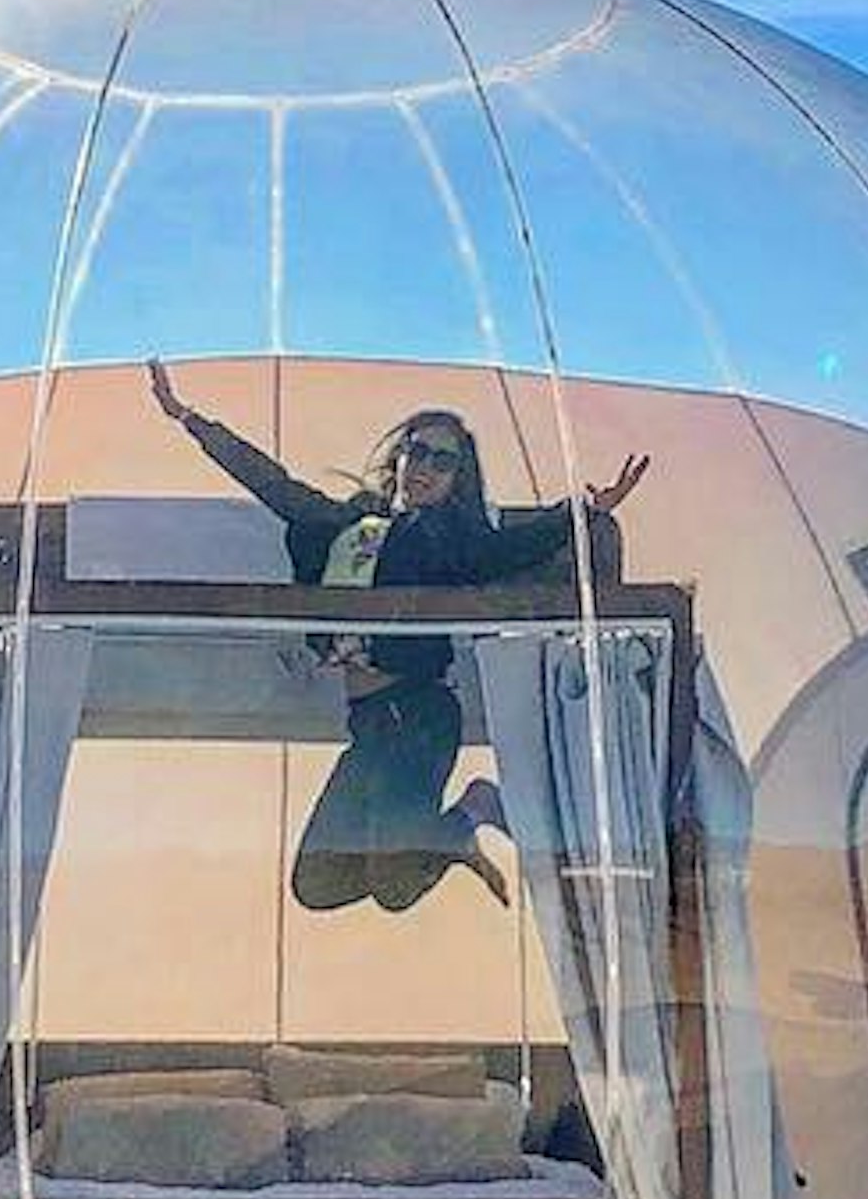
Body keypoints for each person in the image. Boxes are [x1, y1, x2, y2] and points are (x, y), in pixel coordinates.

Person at [144, 360, 651, 915]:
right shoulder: (350, 526)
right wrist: (189, 419)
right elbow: (275, 486)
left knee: (395, 887)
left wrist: (584, 511)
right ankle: (454, 832)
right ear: (399, 457)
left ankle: (472, 812)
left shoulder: (450, 541)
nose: (425, 466)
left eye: (443, 459)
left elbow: (513, 547)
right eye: (417, 450)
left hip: (420, 720)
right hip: (369, 727)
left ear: (459, 478)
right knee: (316, 885)